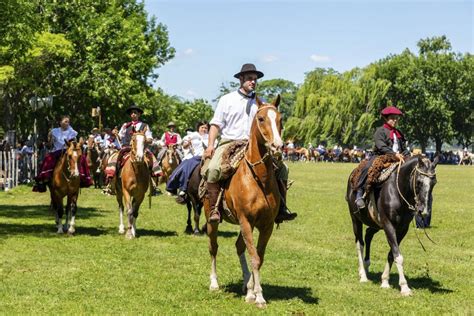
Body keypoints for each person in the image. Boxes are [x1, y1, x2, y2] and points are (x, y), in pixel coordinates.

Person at [202, 63, 297, 223]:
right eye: (249, 79)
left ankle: (281, 208)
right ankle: (214, 210)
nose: (253, 82)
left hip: (253, 145)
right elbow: (215, 125)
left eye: (255, 79)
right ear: (241, 79)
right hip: (229, 142)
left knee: (283, 169)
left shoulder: (262, 104)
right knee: (212, 169)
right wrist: (211, 145)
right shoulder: (227, 99)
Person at [354, 105, 410, 209]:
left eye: (397, 118)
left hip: (399, 158)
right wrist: (394, 154)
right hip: (381, 156)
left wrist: (408, 156)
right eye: (392, 118)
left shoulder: (399, 133)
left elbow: (404, 148)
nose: (395, 120)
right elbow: (381, 146)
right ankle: (359, 193)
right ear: (386, 118)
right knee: (368, 167)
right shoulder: (380, 131)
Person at [104, 104, 161, 189]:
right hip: (126, 148)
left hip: (141, 148)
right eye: (132, 113)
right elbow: (120, 137)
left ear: (139, 114)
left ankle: (153, 184)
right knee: (115, 158)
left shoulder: (145, 126)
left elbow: (150, 138)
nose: (133, 114)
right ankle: (111, 182)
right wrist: (115, 133)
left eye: (135, 112)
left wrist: (144, 139)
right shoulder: (125, 125)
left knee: (151, 158)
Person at [33, 115, 92, 192]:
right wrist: (48, 142)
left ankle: (84, 177)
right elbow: (50, 144)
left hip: (68, 150)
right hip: (57, 150)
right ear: (60, 122)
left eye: (68, 122)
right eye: (65, 121)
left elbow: (74, 143)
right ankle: (43, 180)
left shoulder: (72, 132)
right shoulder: (54, 131)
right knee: (48, 158)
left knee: (82, 157)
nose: (67, 123)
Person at [167, 121, 211, 204]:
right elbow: (184, 146)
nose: (204, 129)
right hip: (192, 156)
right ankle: (179, 187)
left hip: (205, 157)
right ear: (198, 128)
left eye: (206, 128)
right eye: (202, 127)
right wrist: (187, 144)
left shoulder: (210, 137)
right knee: (184, 166)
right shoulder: (193, 135)